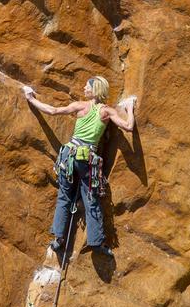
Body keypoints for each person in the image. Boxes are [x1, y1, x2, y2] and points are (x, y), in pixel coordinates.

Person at [23, 76, 135, 257]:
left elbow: (52, 110)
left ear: (95, 89)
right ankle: (97, 243)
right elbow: (128, 126)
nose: (84, 87)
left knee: (64, 196)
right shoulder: (106, 112)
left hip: (68, 155)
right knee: (91, 199)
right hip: (87, 160)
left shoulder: (80, 106)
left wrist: (31, 99)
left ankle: (58, 239)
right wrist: (129, 106)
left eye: (87, 85)